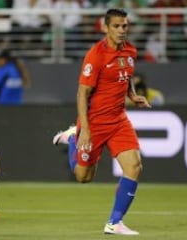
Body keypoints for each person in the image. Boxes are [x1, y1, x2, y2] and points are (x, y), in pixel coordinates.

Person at [53, 8, 151, 235]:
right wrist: (84, 130)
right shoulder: (96, 55)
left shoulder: (130, 51)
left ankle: (114, 223)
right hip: (94, 123)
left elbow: (125, 76)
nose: (121, 30)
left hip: (118, 120)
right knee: (83, 177)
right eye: (116, 26)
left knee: (134, 166)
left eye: (124, 25)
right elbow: (82, 94)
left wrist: (132, 95)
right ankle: (73, 137)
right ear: (105, 28)